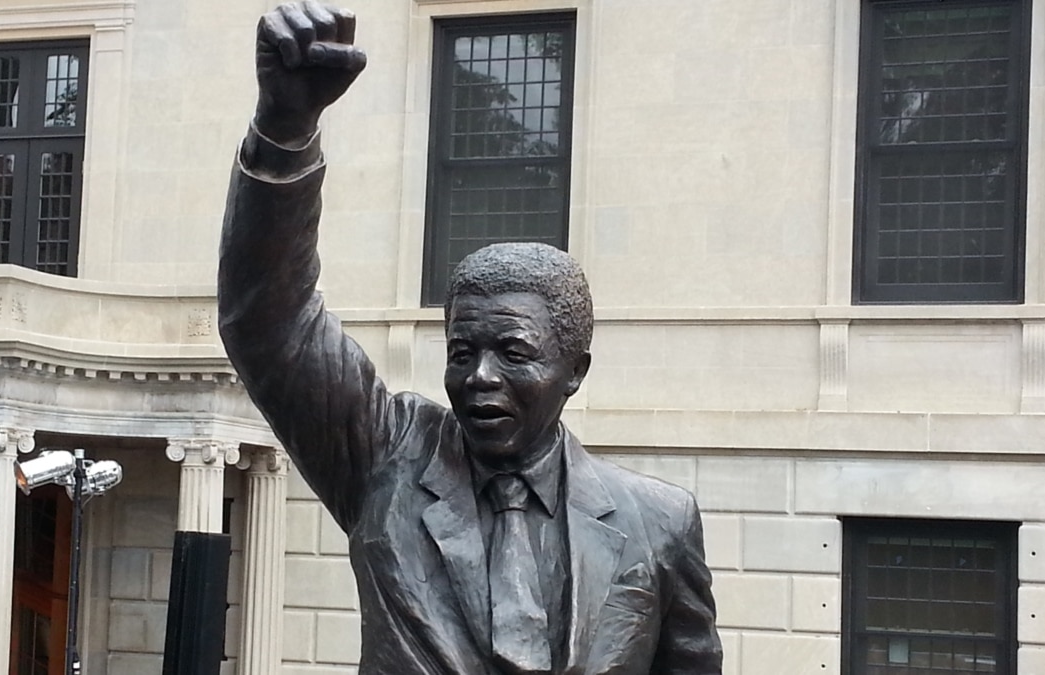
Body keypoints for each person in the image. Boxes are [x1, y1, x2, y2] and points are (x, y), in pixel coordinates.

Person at [218, 3, 722, 673]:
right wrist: (285, 127)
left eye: (513, 352)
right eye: (461, 352)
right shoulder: (385, 458)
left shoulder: (658, 522)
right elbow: (269, 322)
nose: (479, 376)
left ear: (575, 369)